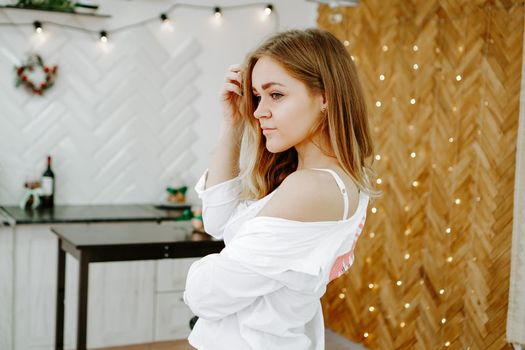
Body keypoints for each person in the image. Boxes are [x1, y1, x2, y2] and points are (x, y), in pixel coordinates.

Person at [183, 27, 381, 350]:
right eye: (258, 96)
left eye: (276, 95)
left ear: (325, 97)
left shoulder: (311, 188)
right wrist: (231, 125)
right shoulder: (326, 179)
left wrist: (202, 272)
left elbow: (205, 295)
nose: (259, 111)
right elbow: (217, 222)